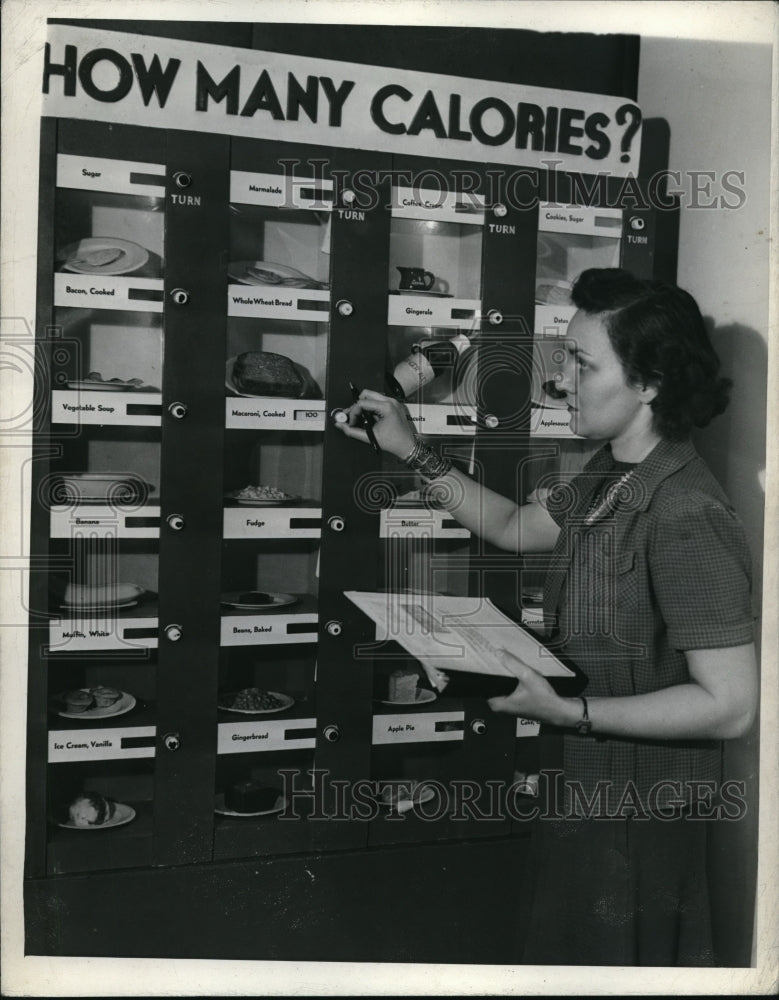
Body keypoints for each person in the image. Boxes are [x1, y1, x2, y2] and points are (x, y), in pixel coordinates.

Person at [336, 267, 757, 967]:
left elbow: (731, 706)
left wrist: (572, 713)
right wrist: (410, 448)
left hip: (640, 819)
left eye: (580, 364)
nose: (558, 382)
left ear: (649, 383)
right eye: (564, 359)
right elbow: (512, 525)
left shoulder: (686, 511)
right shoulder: (608, 472)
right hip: (584, 793)